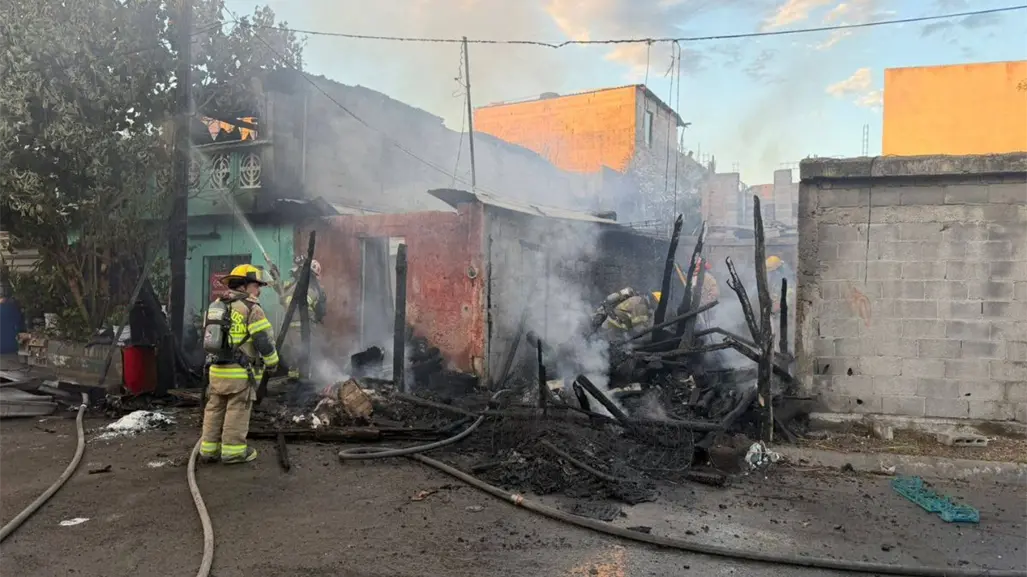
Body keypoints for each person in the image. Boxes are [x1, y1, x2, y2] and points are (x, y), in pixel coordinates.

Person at [199, 264, 279, 464]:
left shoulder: (217, 305)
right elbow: (263, 341)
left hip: (215, 369)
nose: (258, 290)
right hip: (239, 373)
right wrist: (272, 363)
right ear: (244, 286)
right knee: (237, 409)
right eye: (256, 285)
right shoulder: (252, 308)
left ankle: (208, 450)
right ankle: (233, 452)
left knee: (214, 408)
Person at [279, 257, 327, 378]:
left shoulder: (309, 289)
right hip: (299, 329)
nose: (296, 273)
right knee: (296, 359)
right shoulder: (307, 287)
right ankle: (298, 383)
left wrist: (284, 298)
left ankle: (301, 384)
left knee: (299, 358)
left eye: (299, 271)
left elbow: (289, 301)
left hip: (300, 330)